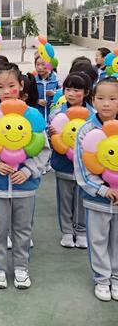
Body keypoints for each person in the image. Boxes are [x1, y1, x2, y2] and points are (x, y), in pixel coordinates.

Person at [0, 63, 50, 290]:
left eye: (11, 85)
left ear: (21, 86)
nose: (6, 91)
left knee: (24, 229)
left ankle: (21, 268)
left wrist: (28, 170)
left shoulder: (32, 116)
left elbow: (44, 149)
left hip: (25, 186)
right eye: (0, 86)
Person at [74, 77, 118, 302]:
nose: (106, 104)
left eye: (113, 98)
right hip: (97, 200)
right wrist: (102, 189)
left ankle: (117, 278)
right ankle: (102, 279)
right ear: (92, 100)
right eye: (101, 98)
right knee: (98, 239)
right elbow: (81, 168)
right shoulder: (85, 130)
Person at [49, 72, 94, 249]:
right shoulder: (57, 113)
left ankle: (81, 231)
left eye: (76, 90)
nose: (71, 93)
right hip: (63, 165)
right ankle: (67, 232)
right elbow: (48, 135)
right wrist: (51, 133)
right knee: (65, 200)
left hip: (86, 167)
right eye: (67, 89)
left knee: (82, 200)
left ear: (86, 92)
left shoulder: (93, 115)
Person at [34, 56, 60, 121]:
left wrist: (54, 93)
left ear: (49, 66)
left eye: (43, 64)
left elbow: (63, 94)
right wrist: (37, 101)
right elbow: (28, 97)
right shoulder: (33, 80)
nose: (40, 67)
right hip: (38, 116)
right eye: (37, 64)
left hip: (53, 116)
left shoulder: (56, 79)